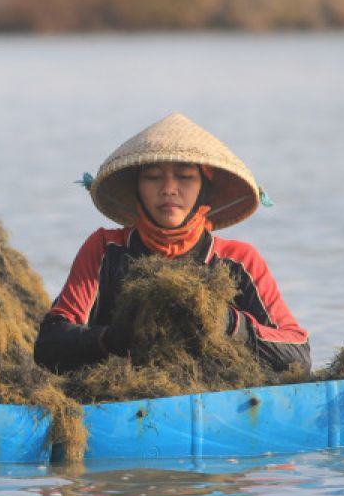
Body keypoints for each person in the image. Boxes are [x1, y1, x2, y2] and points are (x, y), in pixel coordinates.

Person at [34, 112, 310, 373]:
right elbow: (49, 345)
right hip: (122, 393)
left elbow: (298, 355)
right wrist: (111, 339)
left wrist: (228, 324)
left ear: (205, 189)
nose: (168, 189)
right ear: (137, 189)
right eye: (153, 177)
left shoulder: (239, 260)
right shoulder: (105, 249)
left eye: (185, 177)